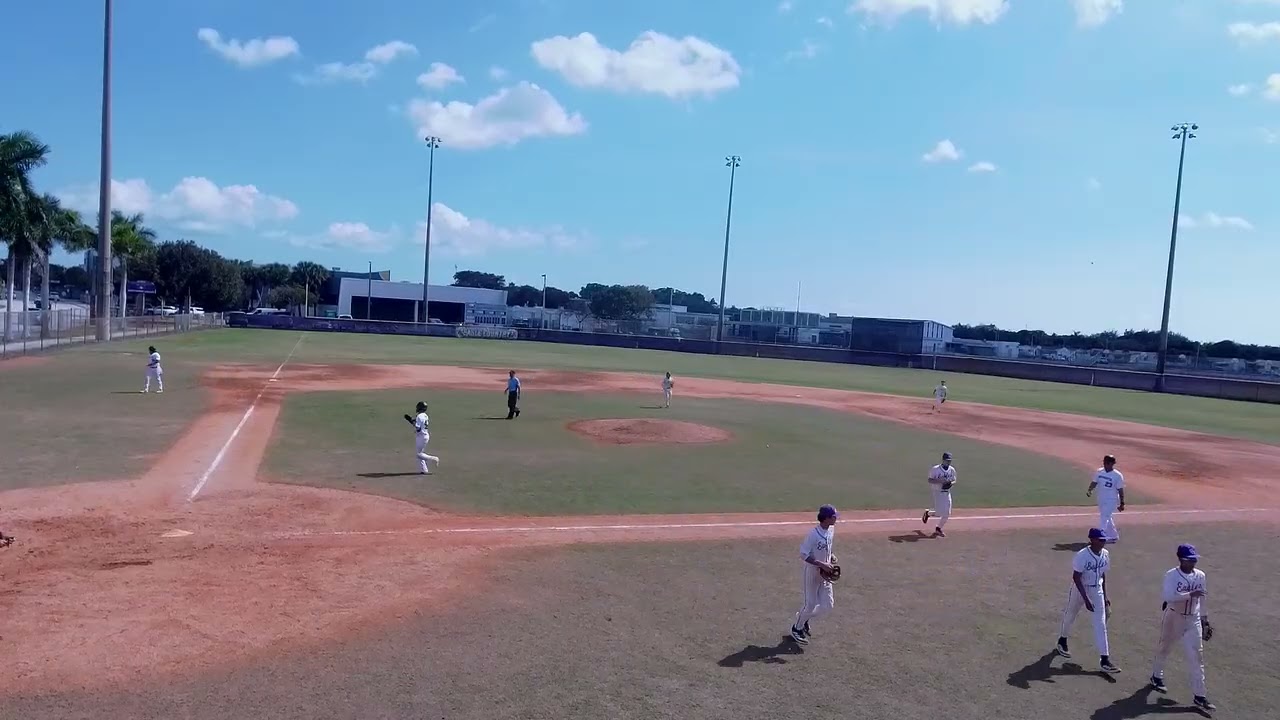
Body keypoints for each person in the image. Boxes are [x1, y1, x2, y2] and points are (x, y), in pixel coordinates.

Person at [1150, 544, 1215, 711]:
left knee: (1197, 657)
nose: (1193, 563)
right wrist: (1189, 594)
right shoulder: (1172, 575)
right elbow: (1167, 596)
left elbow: (1202, 600)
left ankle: (1200, 696)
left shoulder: (1200, 576)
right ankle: (1157, 676)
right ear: (1180, 559)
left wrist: (1204, 620)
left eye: (1194, 559)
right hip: (1173, 617)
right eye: (1189, 560)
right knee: (1164, 648)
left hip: (1193, 619)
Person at [1055, 528, 1121, 673]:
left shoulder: (1105, 554)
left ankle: (1105, 659)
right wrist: (1086, 599)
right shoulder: (1082, 555)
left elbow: (1103, 575)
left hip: (1096, 589)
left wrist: (1104, 595)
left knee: (1101, 623)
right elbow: (1076, 577)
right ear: (1092, 539)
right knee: (1071, 614)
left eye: (1104, 539)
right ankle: (1062, 640)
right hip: (1080, 589)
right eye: (1100, 539)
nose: (1103, 542)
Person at [790, 504, 839, 646]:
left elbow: (827, 547)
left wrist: (831, 557)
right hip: (811, 572)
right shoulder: (813, 534)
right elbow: (803, 554)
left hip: (826, 573)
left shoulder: (831, 529)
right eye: (834, 517)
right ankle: (796, 629)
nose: (836, 519)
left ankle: (803, 618)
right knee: (810, 603)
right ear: (826, 518)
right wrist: (822, 564)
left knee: (828, 605)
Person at [1086, 454, 1125, 543]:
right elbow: (1094, 482)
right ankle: (1114, 535)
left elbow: (1120, 489)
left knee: (1104, 517)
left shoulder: (1117, 475)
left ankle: (1101, 537)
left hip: (1111, 500)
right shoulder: (1100, 471)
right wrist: (1090, 490)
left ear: (1112, 464)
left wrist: (1122, 503)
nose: (1105, 465)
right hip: (1101, 498)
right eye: (1104, 462)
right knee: (1107, 516)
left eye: (1107, 463)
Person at [921, 451, 957, 537]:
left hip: (947, 492)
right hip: (937, 492)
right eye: (947, 460)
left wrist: (951, 483)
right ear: (943, 460)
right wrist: (940, 481)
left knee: (947, 513)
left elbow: (954, 479)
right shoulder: (935, 469)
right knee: (939, 512)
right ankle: (928, 513)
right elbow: (930, 480)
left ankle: (938, 528)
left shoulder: (951, 470)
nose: (948, 462)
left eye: (949, 461)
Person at [411, 401, 440, 475]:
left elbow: (418, 428)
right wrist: (413, 421)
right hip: (424, 436)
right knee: (420, 453)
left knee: (419, 454)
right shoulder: (425, 415)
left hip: (421, 437)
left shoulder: (419, 416)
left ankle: (434, 459)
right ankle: (424, 469)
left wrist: (412, 422)